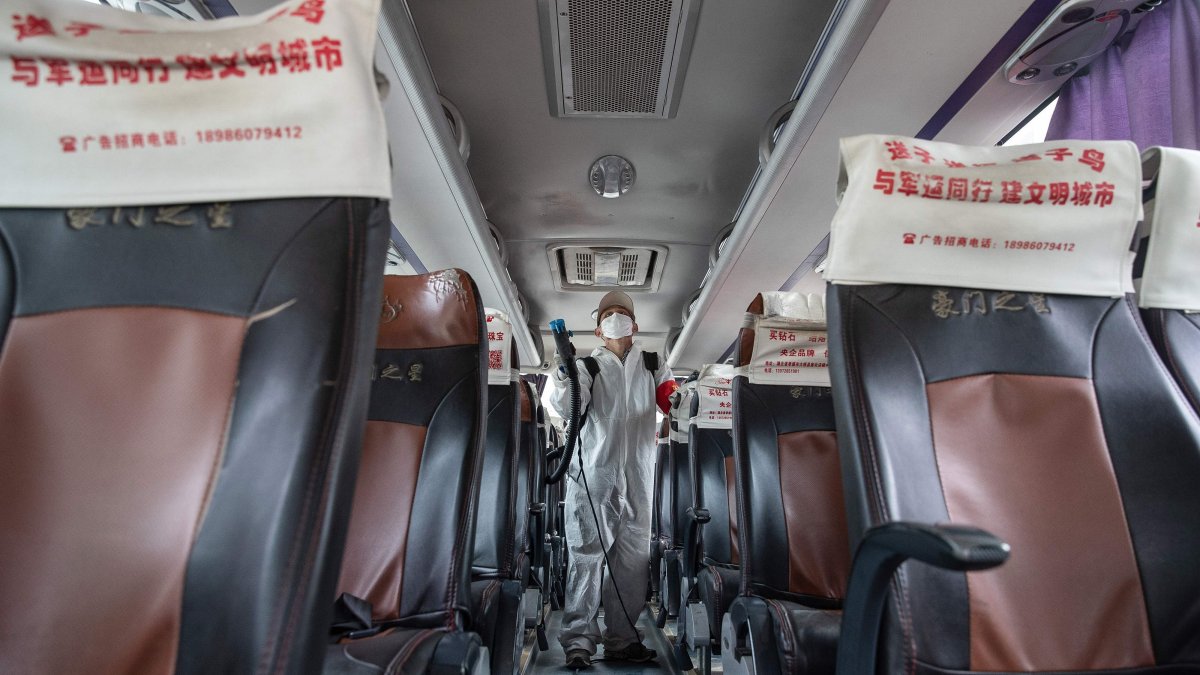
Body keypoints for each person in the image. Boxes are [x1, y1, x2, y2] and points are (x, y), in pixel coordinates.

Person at [548, 291, 677, 669]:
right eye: (608, 314)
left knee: (633, 560)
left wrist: (690, 403)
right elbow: (567, 404)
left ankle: (622, 640)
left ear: (635, 325)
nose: (616, 318)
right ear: (598, 328)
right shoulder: (587, 366)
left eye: (622, 313)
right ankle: (578, 643)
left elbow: (674, 403)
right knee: (587, 557)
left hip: (638, 474)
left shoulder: (654, 363)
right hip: (594, 476)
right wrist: (563, 370)